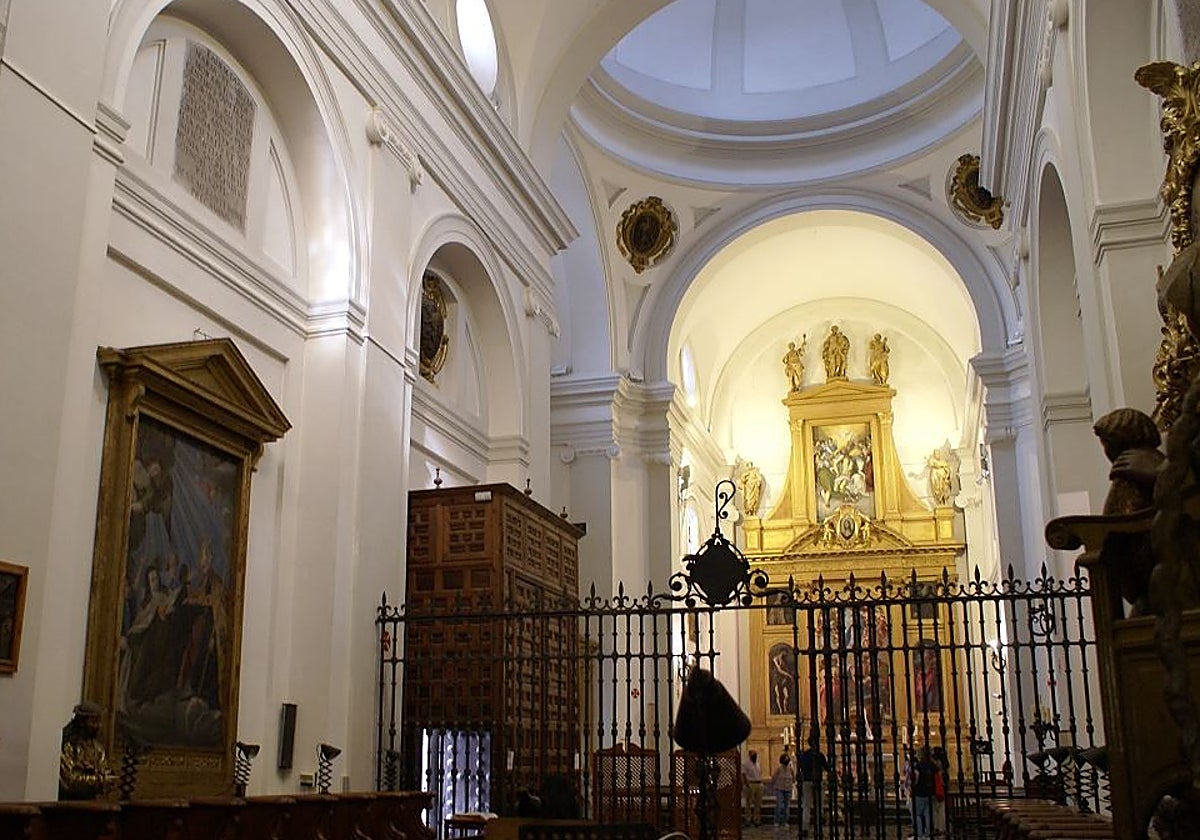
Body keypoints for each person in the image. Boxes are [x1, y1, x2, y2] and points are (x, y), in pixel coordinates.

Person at [796, 737, 829, 836]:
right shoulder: (819, 755)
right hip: (818, 781)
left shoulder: (805, 755)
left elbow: (800, 766)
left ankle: (805, 827)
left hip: (806, 781)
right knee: (819, 805)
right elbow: (826, 767)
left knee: (806, 806)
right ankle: (818, 826)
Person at [911, 746, 939, 840]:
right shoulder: (933, 765)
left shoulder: (919, 765)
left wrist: (913, 786)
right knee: (928, 814)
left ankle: (919, 834)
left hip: (919, 792)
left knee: (918, 814)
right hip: (930, 792)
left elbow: (916, 777)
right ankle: (928, 834)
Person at [770, 752, 796, 828]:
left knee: (787, 806)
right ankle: (777, 820)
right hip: (780, 788)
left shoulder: (790, 769)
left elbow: (793, 778)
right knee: (779, 805)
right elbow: (774, 778)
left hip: (788, 789)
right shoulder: (779, 769)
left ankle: (785, 821)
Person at [931, 746, 951, 837]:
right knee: (942, 808)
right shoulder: (944, 764)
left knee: (936, 809)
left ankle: (938, 827)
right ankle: (942, 827)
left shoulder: (936, 763)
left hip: (937, 787)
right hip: (942, 787)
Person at [742, 748, 764, 827]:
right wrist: (747, 784)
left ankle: (756, 820)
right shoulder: (745, 764)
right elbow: (743, 774)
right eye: (753, 754)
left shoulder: (757, 764)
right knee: (749, 803)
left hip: (759, 783)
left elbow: (760, 773)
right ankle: (748, 819)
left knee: (758, 803)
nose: (755, 756)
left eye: (755, 754)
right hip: (751, 784)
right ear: (750, 755)